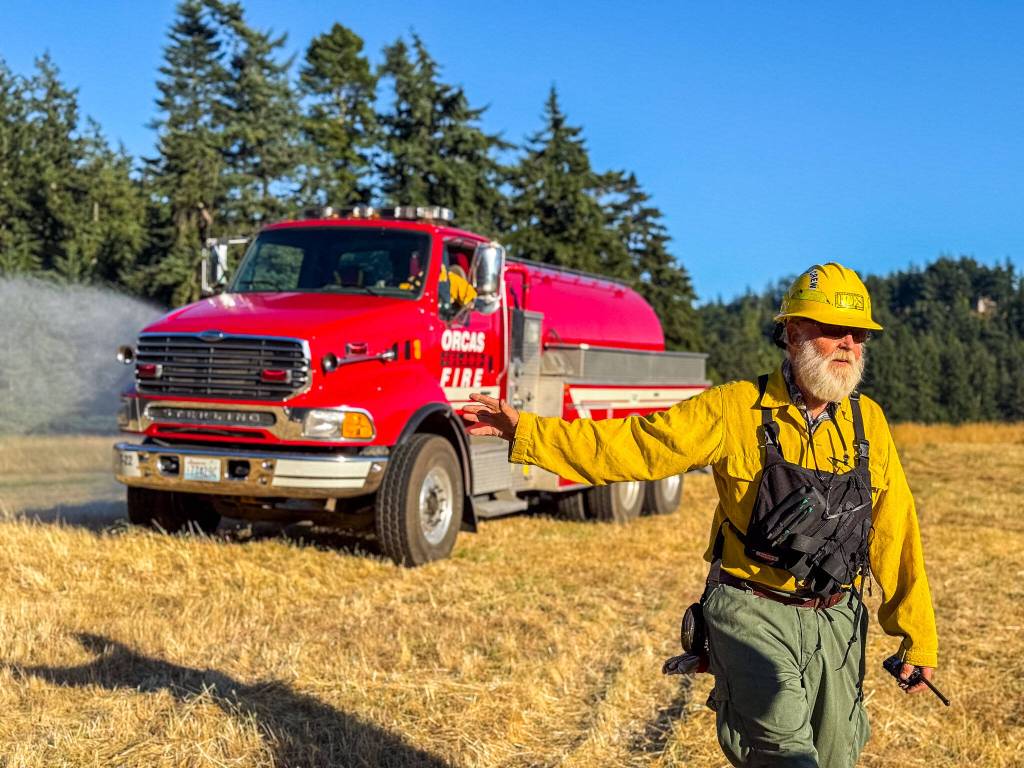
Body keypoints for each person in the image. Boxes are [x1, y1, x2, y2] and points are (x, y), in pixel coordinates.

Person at [463, 262, 938, 768]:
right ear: (794, 332)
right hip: (753, 612)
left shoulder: (870, 422)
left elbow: (895, 527)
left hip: (838, 621)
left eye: (858, 334)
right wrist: (528, 432)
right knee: (785, 757)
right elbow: (638, 445)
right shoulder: (735, 408)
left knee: (837, 756)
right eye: (833, 329)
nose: (848, 344)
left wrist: (918, 636)